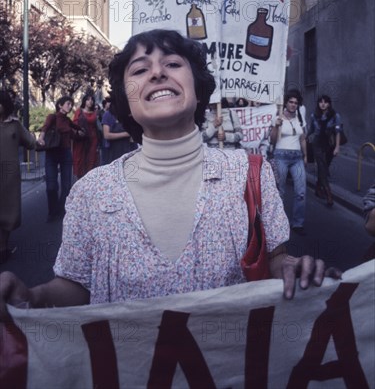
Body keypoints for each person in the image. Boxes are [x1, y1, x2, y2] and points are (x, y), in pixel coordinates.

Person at [0, 30, 340, 314]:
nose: (158, 73)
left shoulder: (250, 174)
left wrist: (294, 269)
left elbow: (275, 266)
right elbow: (75, 288)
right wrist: (33, 297)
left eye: (173, 64)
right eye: (139, 70)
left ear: (198, 87)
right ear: (125, 100)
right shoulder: (91, 192)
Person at [0, 91, 36, 263]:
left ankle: (3, 248)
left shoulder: (14, 124)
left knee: (8, 211)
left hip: (8, 177)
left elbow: (29, 141)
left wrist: (39, 139)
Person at [38, 96, 84, 222]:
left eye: (71, 104)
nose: (70, 106)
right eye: (68, 104)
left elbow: (75, 134)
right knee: (51, 186)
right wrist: (41, 138)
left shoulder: (68, 120)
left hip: (65, 154)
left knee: (66, 185)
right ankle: (52, 211)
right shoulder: (52, 117)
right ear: (60, 105)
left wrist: (81, 134)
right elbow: (45, 128)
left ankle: (60, 209)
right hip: (52, 153)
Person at [270, 92, 308, 235]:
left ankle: (298, 222)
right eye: (291, 102)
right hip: (281, 156)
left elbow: (302, 138)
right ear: (286, 103)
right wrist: (275, 126)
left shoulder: (300, 117)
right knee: (280, 191)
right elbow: (272, 141)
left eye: (295, 103)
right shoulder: (278, 117)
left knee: (301, 191)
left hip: (297, 157)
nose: (293, 105)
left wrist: (305, 156)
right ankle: (278, 222)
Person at [307, 95, 342, 206]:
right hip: (317, 144)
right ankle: (329, 195)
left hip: (329, 145)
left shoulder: (335, 116)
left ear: (329, 104)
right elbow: (310, 130)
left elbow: (338, 132)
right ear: (318, 103)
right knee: (322, 167)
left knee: (324, 167)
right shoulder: (314, 115)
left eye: (325, 102)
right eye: (321, 102)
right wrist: (304, 141)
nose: (323, 104)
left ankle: (318, 188)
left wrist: (337, 147)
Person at [72, 94, 99, 179]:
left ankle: (90, 180)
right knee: (80, 159)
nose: (90, 101)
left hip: (93, 139)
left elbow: (98, 127)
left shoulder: (95, 112)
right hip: (82, 139)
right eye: (88, 100)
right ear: (84, 101)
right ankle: (80, 180)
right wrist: (78, 131)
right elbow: (74, 124)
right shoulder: (79, 111)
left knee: (91, 159)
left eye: (92, 100)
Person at [101, 98, 135, 164]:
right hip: (113, 151)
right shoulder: (107, 115)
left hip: (128, 149)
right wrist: (126, 134)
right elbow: (106, 135)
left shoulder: (127, 114)